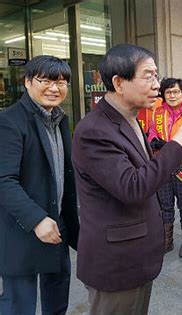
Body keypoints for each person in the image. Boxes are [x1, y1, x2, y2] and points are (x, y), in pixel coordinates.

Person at [72, 44, 182, 314]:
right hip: (117, 265)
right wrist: (175, 146)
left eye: (157, 76)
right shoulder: (94, 130)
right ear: (119, 82)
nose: (157, 84)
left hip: (136, 257)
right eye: (149, 76)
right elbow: (132, 187)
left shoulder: (131, 118)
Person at [0, 55, 80, 315]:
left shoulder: (58, 118)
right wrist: (36, 220)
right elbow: (4, 180)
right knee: (18, 305)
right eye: (45, 81)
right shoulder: (10, 121)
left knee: (57, 302)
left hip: (57, 228)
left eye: (61, 82)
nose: (54, 88)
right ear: (27, 82)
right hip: (22, 230)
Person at [147, 77, 182, 258]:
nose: (172, 95)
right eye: (168, 92)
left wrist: (178, 148)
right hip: (162, 164)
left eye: (176, 91)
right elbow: (153, 131)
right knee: (165, 204)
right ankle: (167, 241)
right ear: (163, 94)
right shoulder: (158, 111)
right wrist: (153, 141)